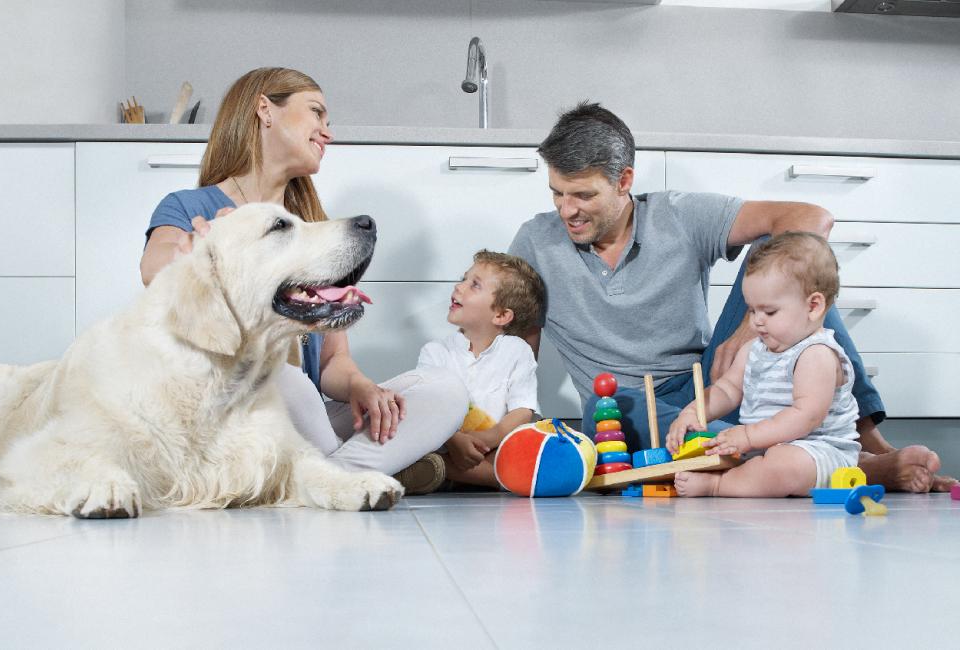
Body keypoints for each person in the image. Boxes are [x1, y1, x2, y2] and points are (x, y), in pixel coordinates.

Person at [508, 101, 956, 494]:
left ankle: (867, 447)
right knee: (615, 409)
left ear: (624, 180)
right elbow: (515, 349)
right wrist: (510, 430)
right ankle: (838, 466)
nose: (567, 210)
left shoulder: (677, 214)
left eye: (584, 195)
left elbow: (810, 217)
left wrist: (746, 332)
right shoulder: (535, 241)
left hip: (711, 382)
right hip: (625, 404)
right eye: (557, 193)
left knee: (796, 274)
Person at [139, 67, 468, 491]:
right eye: (317, 113)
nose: (326, 133)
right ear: (265, 110)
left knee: (445, 390)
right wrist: (200, 248)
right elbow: (156, 268)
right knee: (276, 373)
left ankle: (322, 477)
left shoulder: (312, 229)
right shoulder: (190, 207)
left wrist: (361, 388)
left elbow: (332, 361)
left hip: (306, 415)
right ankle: (362, 470)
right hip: (236, 413)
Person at [665, 232, 860, 497]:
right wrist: (692, 413)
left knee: (784, 463)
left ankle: (719, 486)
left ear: (813, 306)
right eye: (752, 310)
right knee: (716, 450)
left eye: (769, 312)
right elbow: (726, 390)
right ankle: (742, 476)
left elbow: (806, 416)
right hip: (763, 448)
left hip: (818, 453)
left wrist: (747, 437)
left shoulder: (816, 354)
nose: (756, 321)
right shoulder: (754, 349)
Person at [415, 251, 546, 490]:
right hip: (446, 444)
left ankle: (437, 470)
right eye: (464, 278)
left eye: (474, 285)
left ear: (501, 315)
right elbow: (426, 408)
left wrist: (492, 436)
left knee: (528, 453)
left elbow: (522, 410)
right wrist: (453, 440)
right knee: (411, 430)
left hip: (495, 448)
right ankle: (451, 470)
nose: (459, 286)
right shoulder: (434, 352)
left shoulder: (517, 351)